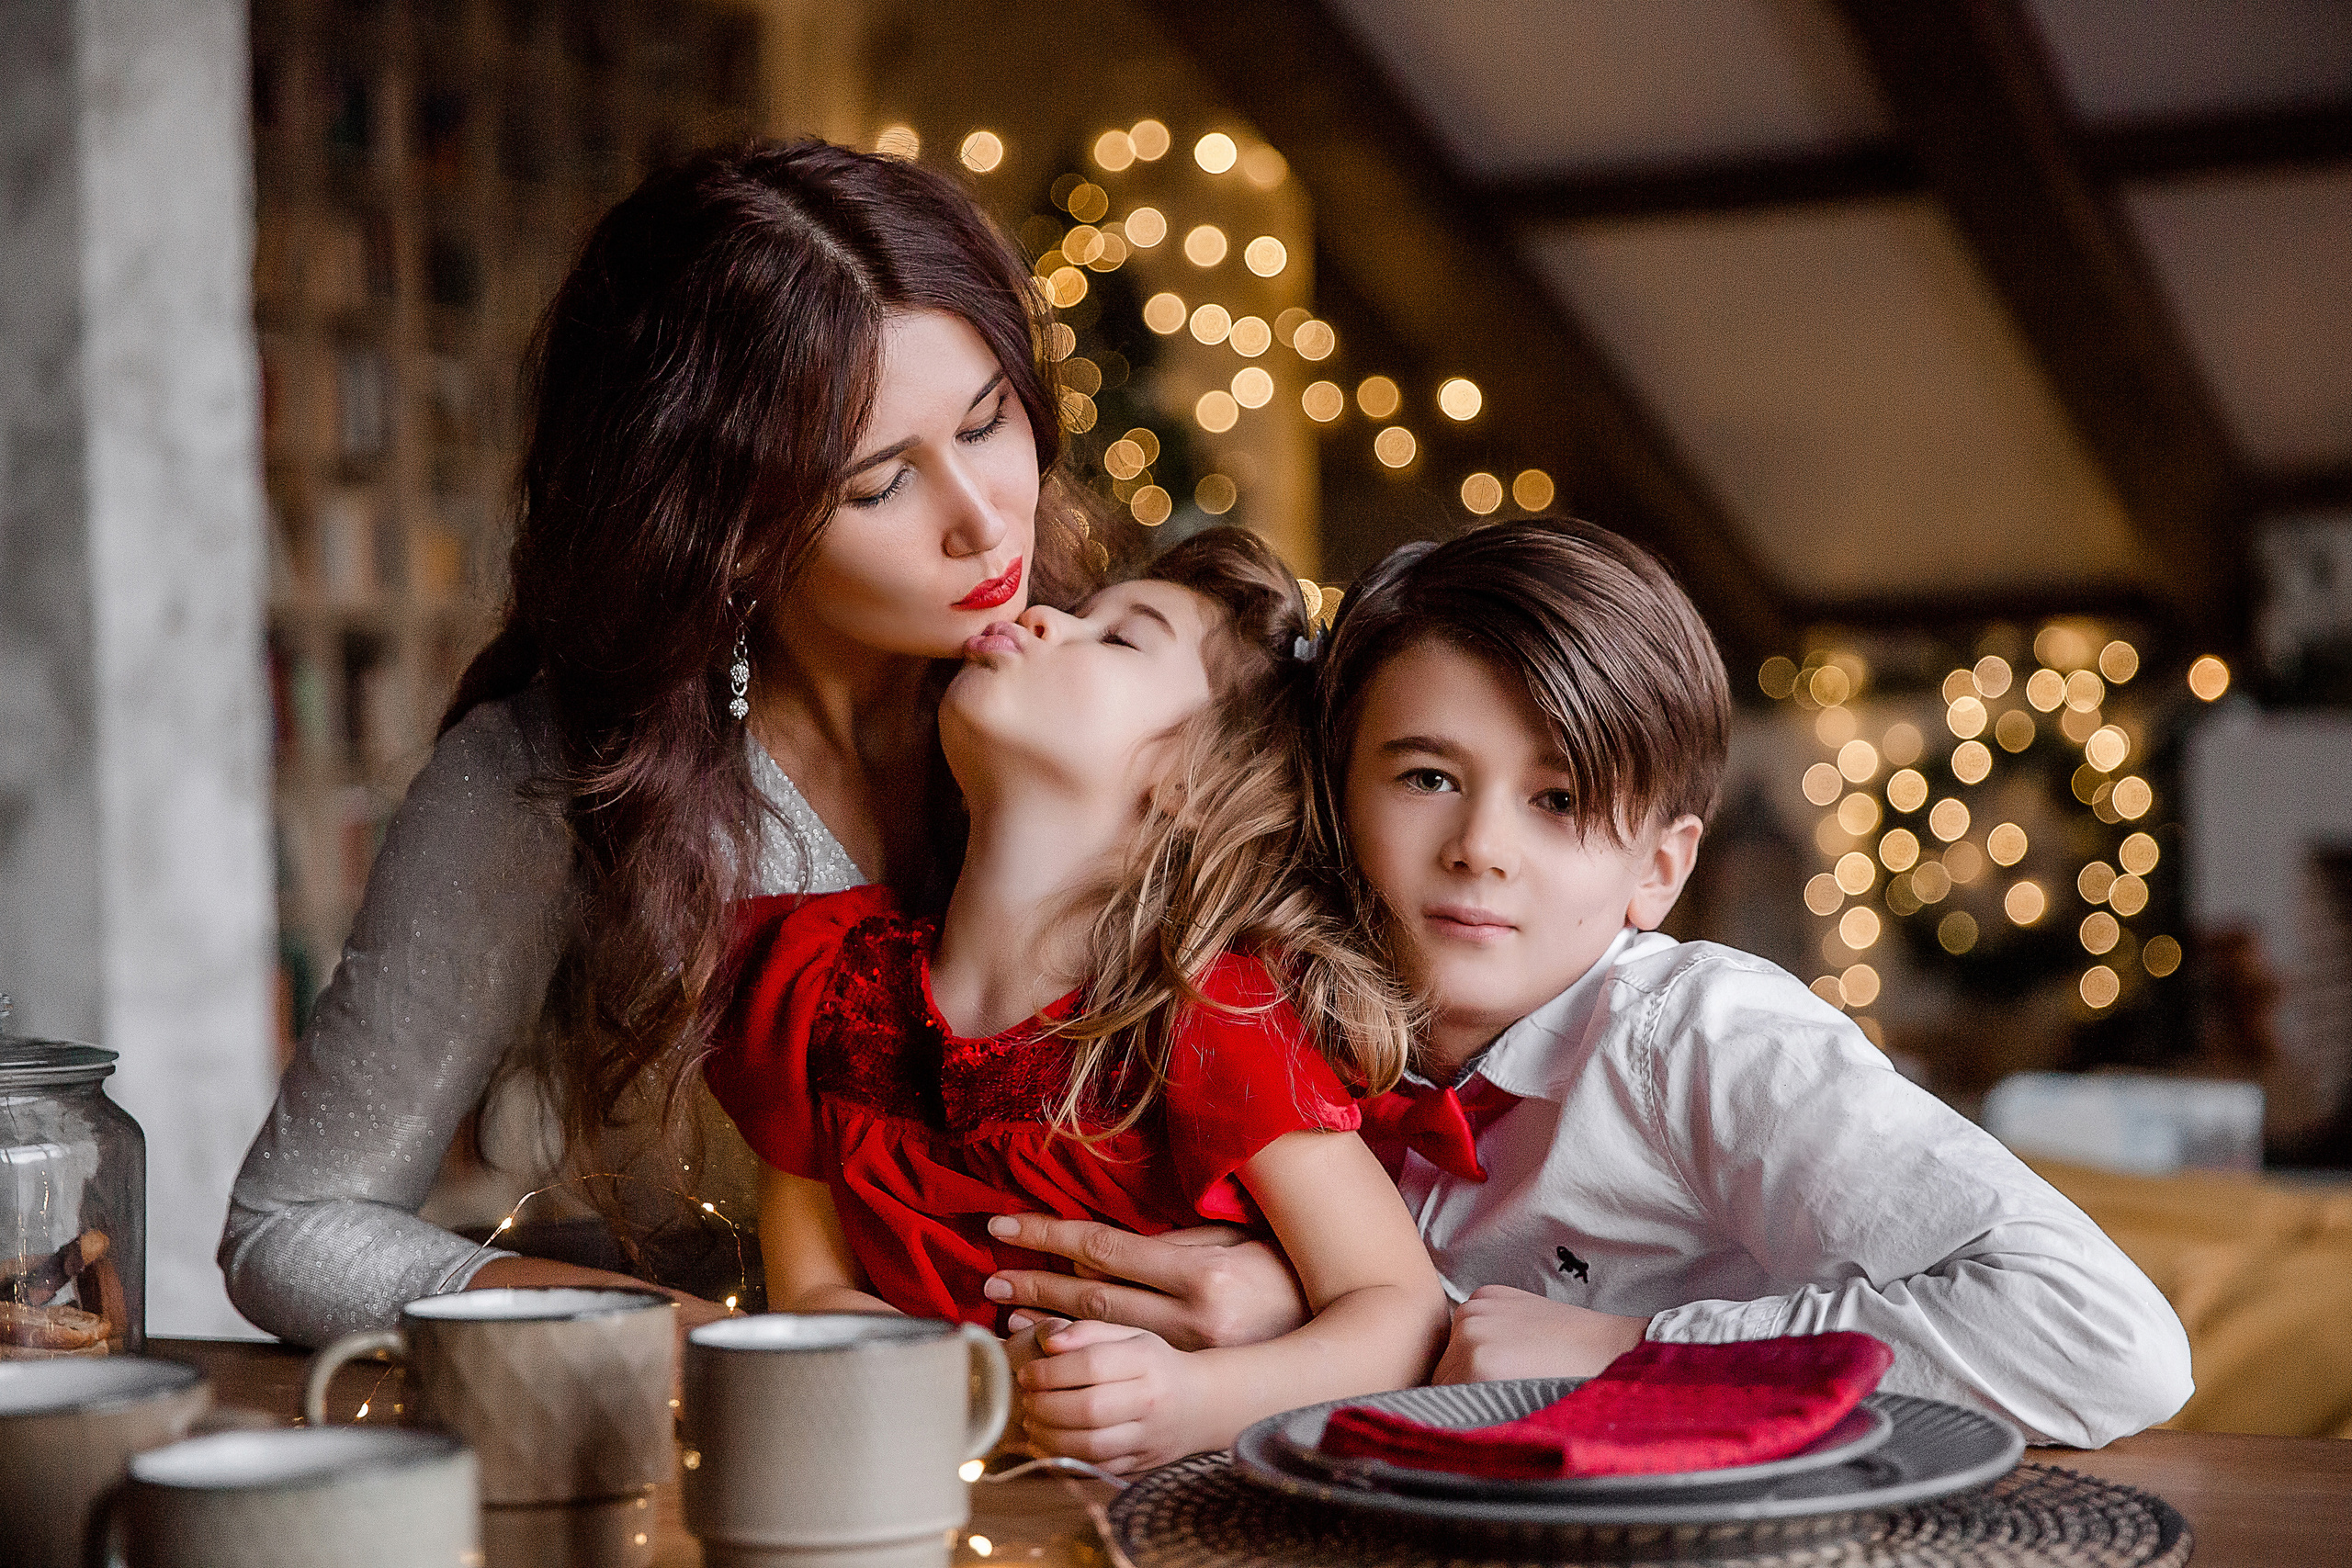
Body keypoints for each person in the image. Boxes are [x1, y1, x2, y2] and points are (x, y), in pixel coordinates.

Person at [984, 520, 2195, 1450]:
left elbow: (2105, 1341)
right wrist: (1309, 1315)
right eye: (1425, 776)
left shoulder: (1700, 1038)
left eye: (1557, 799)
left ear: (1659, 868)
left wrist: (1630, 1350)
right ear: (1336, 793)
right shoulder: (1260, 1017)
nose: (1482, 848)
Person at [219, 140, 1123, 1348]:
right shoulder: (558, 779)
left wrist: (1268, 1293)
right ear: (720, 522)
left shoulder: (1121, 679)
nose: (983, 520)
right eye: (878, 485)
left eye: (987, 419)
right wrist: (712, 1347)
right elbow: (293, 1226)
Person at [704, 529, 1450, 1472]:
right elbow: (810, 1301)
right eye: (1077, 612)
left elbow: (1400, 1311)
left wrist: (1193, 1400)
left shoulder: (1203, 1012)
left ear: (1188, 779)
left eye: (1119, 637)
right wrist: (984, 1386)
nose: (1042, 617)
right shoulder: (821, 983)